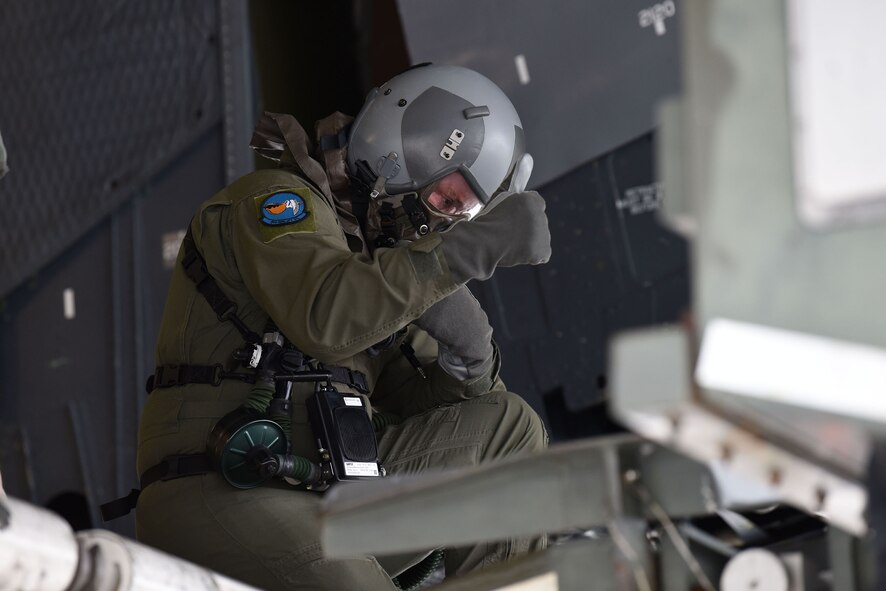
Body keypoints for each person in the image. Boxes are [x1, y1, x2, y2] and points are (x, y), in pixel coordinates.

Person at [134, 63, 552, 590]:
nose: (443, 223)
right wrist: (464, 253)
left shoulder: (386, 269)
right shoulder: (274, 201)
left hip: (329, 482)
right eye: (446, 201)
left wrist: (468, 356)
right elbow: (324, 318)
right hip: (224, 482)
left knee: (508, 431)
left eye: (458, 218)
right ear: (406, 153)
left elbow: (441, 416)